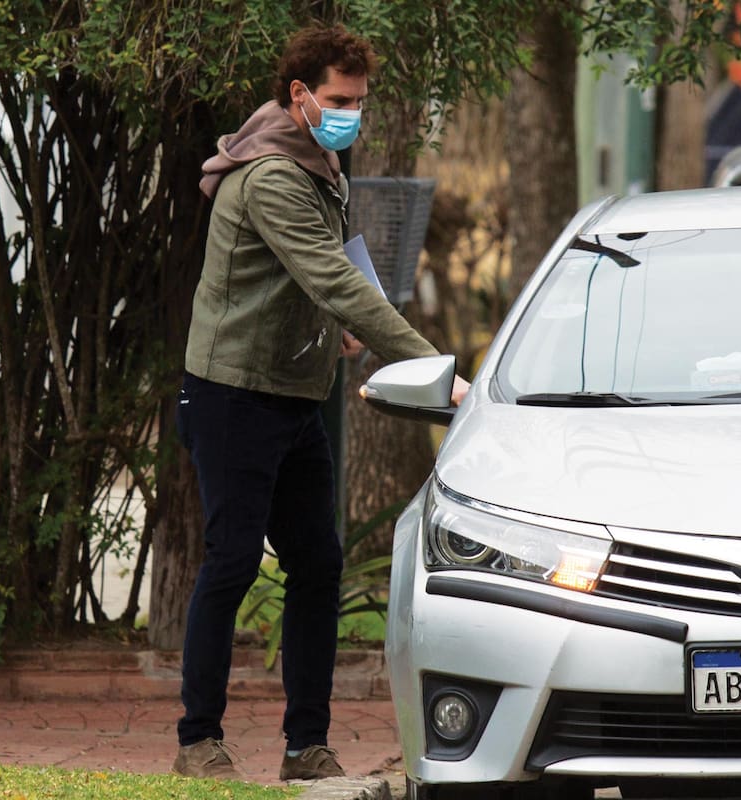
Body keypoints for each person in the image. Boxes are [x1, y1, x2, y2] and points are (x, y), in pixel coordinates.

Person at [172, 24, 469, 782]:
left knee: (318, 564)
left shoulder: (318, 160)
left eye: (360, 100)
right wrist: (433, 365)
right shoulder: (271, 174)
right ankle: (197, 741)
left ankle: (307, 747)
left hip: (295, 391)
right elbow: (332, 277)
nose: (351, 114)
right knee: (232, 562)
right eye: (338, 99)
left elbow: (325, 279)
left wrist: (337, 327)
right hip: (234, 392)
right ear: (298, 94)